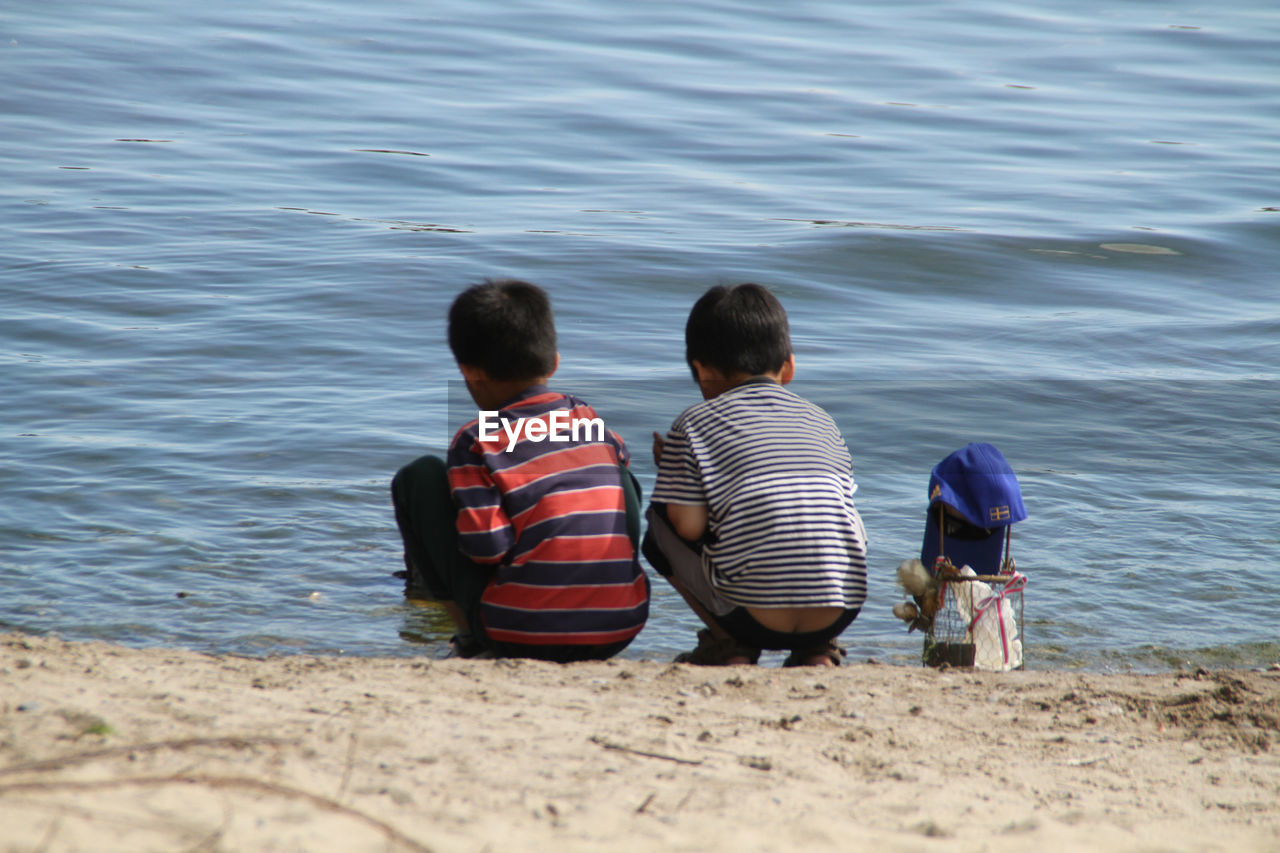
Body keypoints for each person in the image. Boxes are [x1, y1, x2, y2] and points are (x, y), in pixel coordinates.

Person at [390, 279, 649, 661]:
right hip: (619, 627)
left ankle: (466, 635)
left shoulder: (477, 440)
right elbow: (622, 470)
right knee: (617, 475)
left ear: (469, 372)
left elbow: (487, 547)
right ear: (555, 362)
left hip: (518, 632)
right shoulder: (590, 420)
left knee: (420, 476)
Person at [643, 283, 868, 667]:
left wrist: (674, 476)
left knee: (658, 526)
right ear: (790, 366)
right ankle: (817, 651)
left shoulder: (693, 423)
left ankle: (730, 644)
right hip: (841, 608)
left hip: (751, 618)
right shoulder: (823, 421)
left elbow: (688, 528)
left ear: (701, 371)